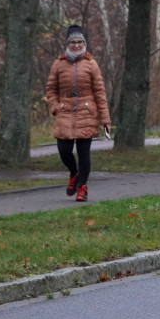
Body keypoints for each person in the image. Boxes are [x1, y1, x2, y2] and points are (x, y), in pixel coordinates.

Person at [45, 25, 111, 202]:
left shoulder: (91, 64)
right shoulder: (58, 64)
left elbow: (100, 92)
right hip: (64, 110)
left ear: (84, 43)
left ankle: (82, 187)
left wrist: (105, 119)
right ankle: (74, 173)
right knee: (64, 150)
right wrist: (55, 106)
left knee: (83, 152)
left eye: (79, 41)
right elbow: (51, 89)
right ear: (67, 43)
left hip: (86, 111)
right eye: (73, 42)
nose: (76, 45)